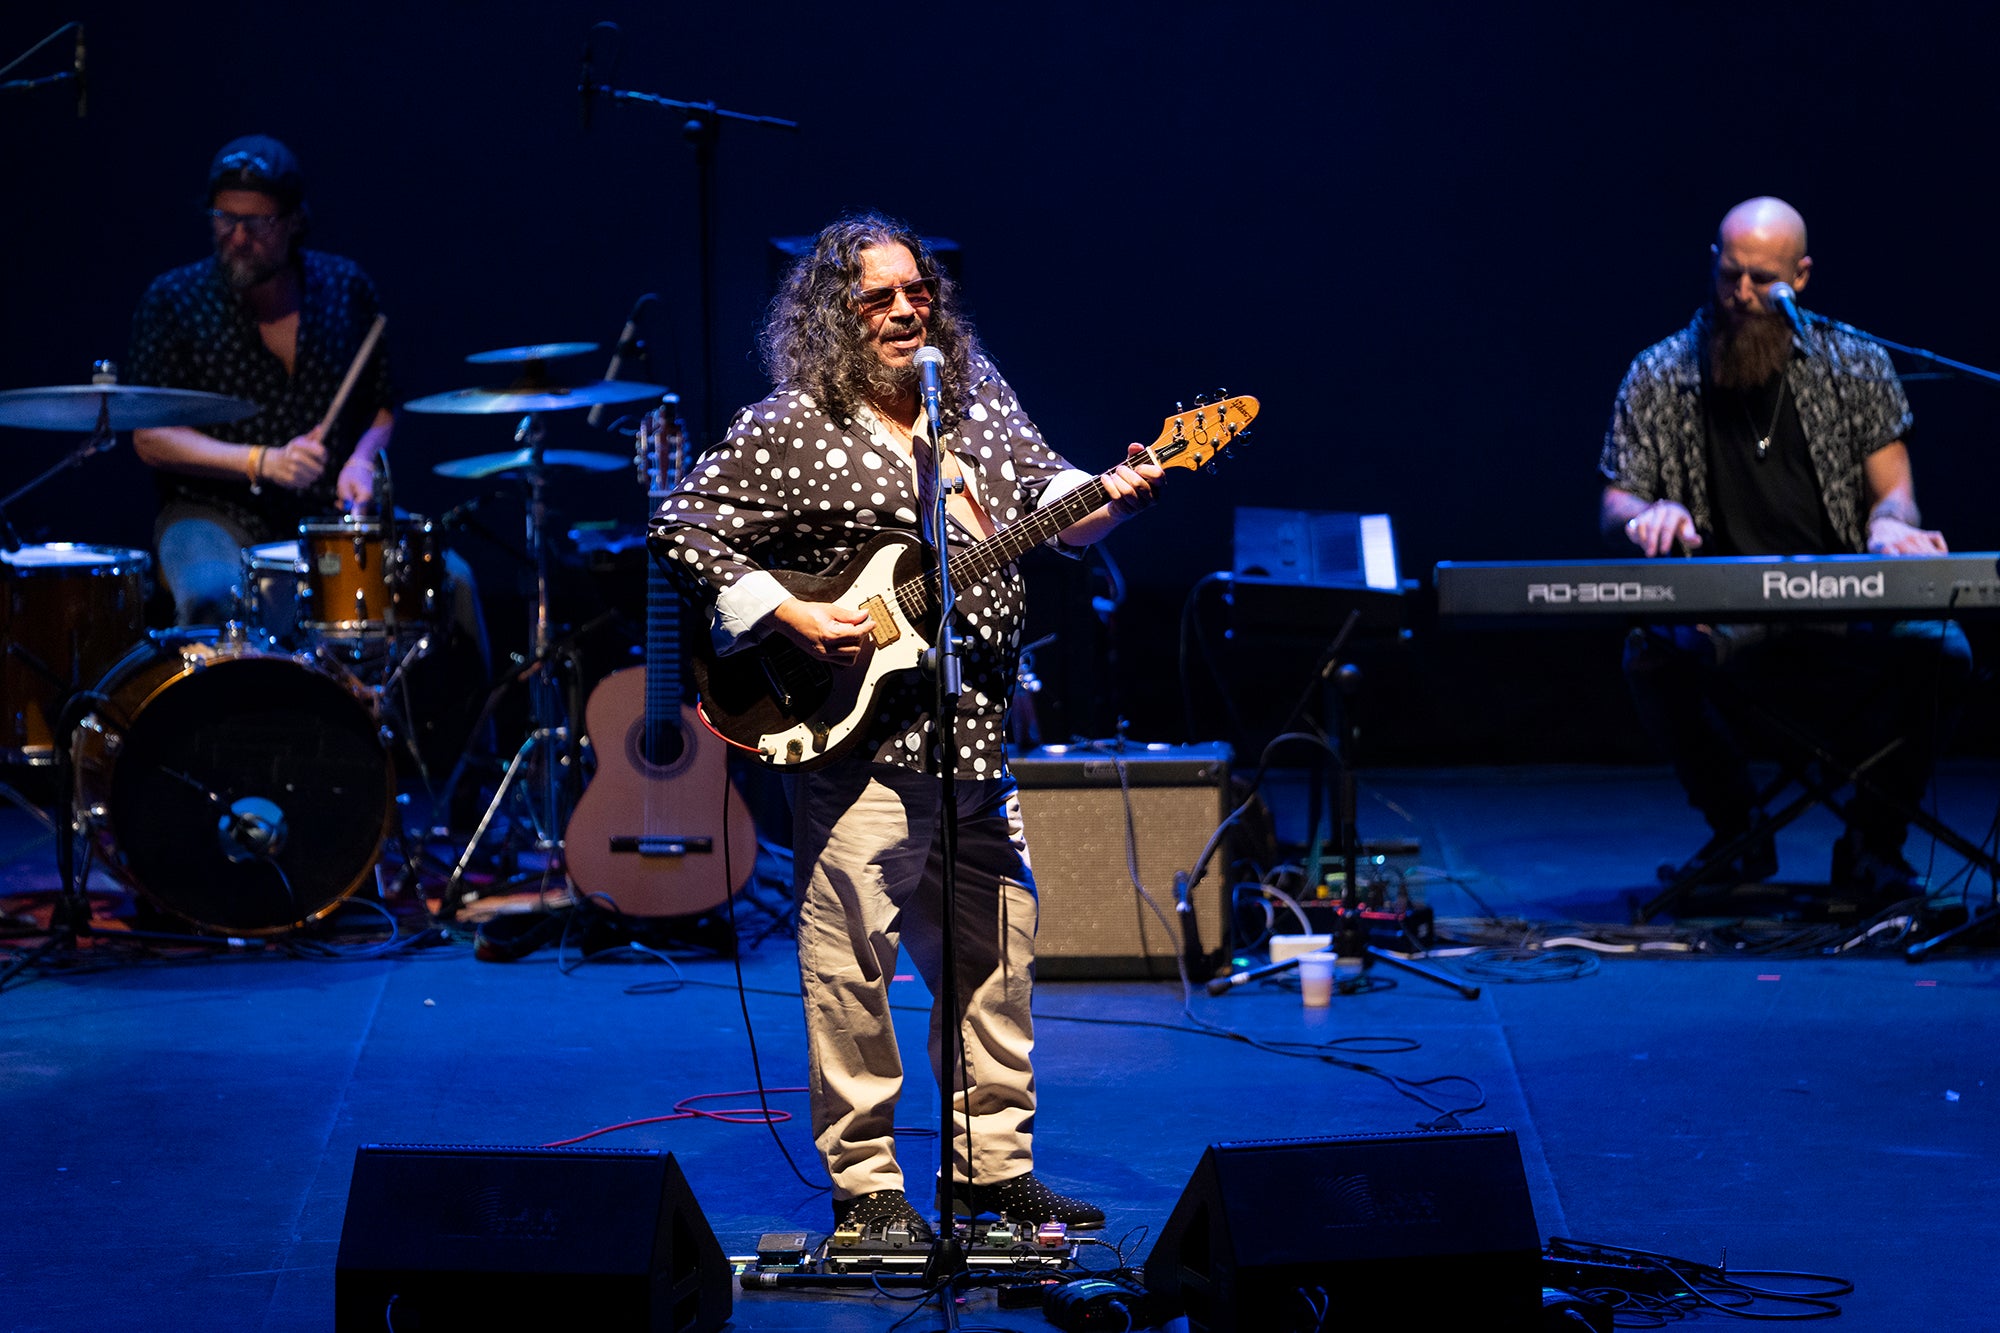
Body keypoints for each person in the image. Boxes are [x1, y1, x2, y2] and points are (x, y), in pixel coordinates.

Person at [649, 212, 1162, 1240]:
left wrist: (1114, 495)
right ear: (835, 317)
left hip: (975, 737)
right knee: (851, 966)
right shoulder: (794, 424)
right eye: (877, 297)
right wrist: (789, 611)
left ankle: (990, 1172)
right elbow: (682, 524)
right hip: (861, 745)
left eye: (914, 291)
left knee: (997, 959)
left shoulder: (971, 401)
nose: (902, 310)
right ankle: (871, 1189)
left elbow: (1049, 496)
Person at [1600, 196, 1972, 899]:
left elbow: (1895, 492)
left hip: (1851, 596)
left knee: (1945, 650)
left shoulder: (1854, 363)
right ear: (1713, 263)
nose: (1741, 294)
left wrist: (1889, 523)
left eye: (1762, 279)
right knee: (1650, 652)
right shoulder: (1659, 371)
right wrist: (1649, 512)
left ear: (1800, 277)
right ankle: (1738, 828)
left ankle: (1873, 837)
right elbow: (1616, 497)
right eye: (1729, 273)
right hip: (1726, 603)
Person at [128, 134, 394, 627]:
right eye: (224, 219)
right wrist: (262, 461)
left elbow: (381, 404)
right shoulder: (173, 300)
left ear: (294, 222)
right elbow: (150, 436)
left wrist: (360, 461)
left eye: (258, 223)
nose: (237, 237)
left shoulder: (345, 288)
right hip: (209, 511)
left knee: (449, 583)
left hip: (325, 513)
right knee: (212, 597)